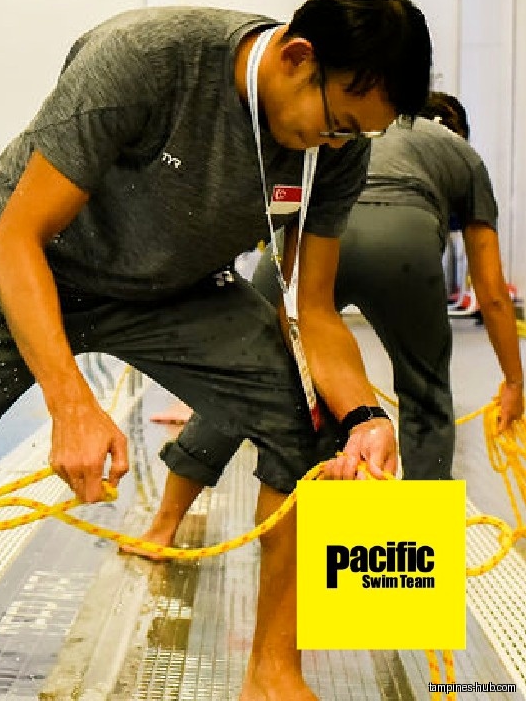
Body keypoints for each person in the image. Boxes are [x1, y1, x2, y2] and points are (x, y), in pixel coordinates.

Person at [0, 0, 432, 701]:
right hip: (24, 266)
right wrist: (69, 403)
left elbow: (313, 310)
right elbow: (17, 241)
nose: (337, 143)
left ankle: (273, 671)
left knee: (307, 422)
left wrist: (364, 414)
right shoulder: (146, 59)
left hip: (173, 288)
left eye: (354, 134)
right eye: (336, 123)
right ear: (297, 55)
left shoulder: (332, 150)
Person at [133, 91, 524, 557]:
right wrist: (515, 381)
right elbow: (494, 294)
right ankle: (415, 567)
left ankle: (162, 529)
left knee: (244, 377)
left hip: (312, 234)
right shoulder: (462, 154)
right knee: (425, 395)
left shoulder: (359, 129)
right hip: (404, 242)